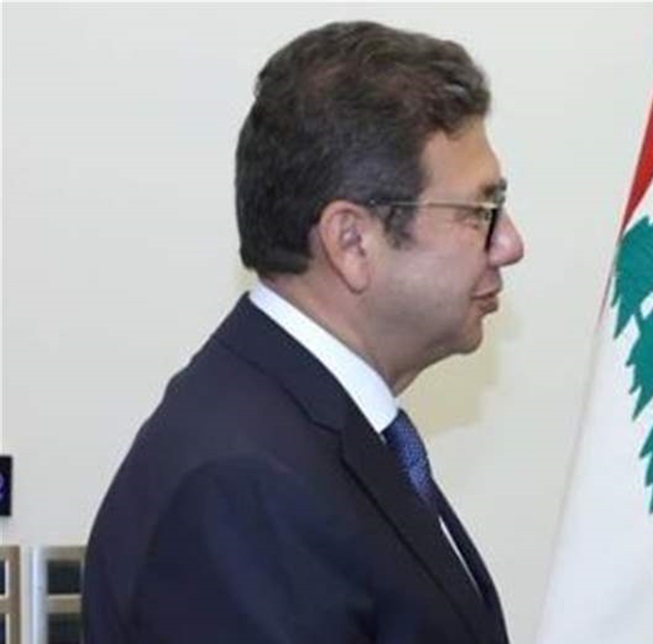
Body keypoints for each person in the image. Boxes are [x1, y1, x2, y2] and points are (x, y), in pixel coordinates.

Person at [83, 20, 523, 643]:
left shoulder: (309, 430)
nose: (510, 244)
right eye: (481, 212)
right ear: (352, 241)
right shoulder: (244, 487)